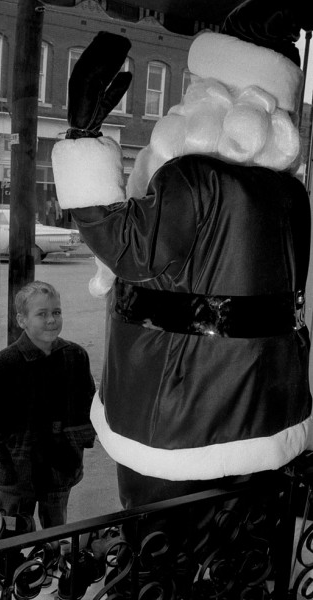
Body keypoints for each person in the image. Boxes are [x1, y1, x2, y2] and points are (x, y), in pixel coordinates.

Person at [52, 5, 312, 593]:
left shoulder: (192, 176)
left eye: (194, 86)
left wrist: (84, 137)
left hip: (177, 412)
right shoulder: (290, 195)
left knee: (159, 552)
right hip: (265, 408)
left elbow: (128, 249)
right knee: (237, 554)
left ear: (215, 97)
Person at [0, 280, 96, 528]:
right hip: (19, 469)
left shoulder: (76, 356)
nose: (51, 320)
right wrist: (5, 458)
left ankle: (53, 564)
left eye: (56, 312)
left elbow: (87, 403)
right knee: (11, 530)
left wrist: (79, 443)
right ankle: (12, 567)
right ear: (22, 320)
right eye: (42, 314)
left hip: (61, 464)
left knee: (56, 527)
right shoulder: (2, 363)